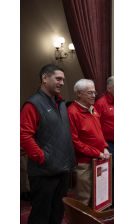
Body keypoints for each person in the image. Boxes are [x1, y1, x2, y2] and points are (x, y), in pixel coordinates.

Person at [20, 64, 75, 224]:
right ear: (45, 78)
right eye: (58, 78)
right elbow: (24, 135)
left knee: (57, 212)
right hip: (44, 172)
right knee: (41, 215)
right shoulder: (33, 104)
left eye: (63, 79)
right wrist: (42, 157)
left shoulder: (61, 103)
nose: (62, 83)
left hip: (62, 169)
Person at [68, 79, 110, 206]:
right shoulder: (72, 112)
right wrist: (98, 153)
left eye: (94, 92)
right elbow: (74, 141)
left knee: (98, 198)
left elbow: (99, 132)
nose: (93, 95)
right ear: (79, 94)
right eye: (89, 93)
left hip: (98, 159)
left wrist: (105, 147)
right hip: (83, 163)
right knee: (83, 198)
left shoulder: (93, 109)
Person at [94, 76, 114, 208]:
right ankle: (105, 212)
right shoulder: (100, 103)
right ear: (108, 88)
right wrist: (103, 146)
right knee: (105, 181)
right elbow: (96, 128)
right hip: (107, 146)